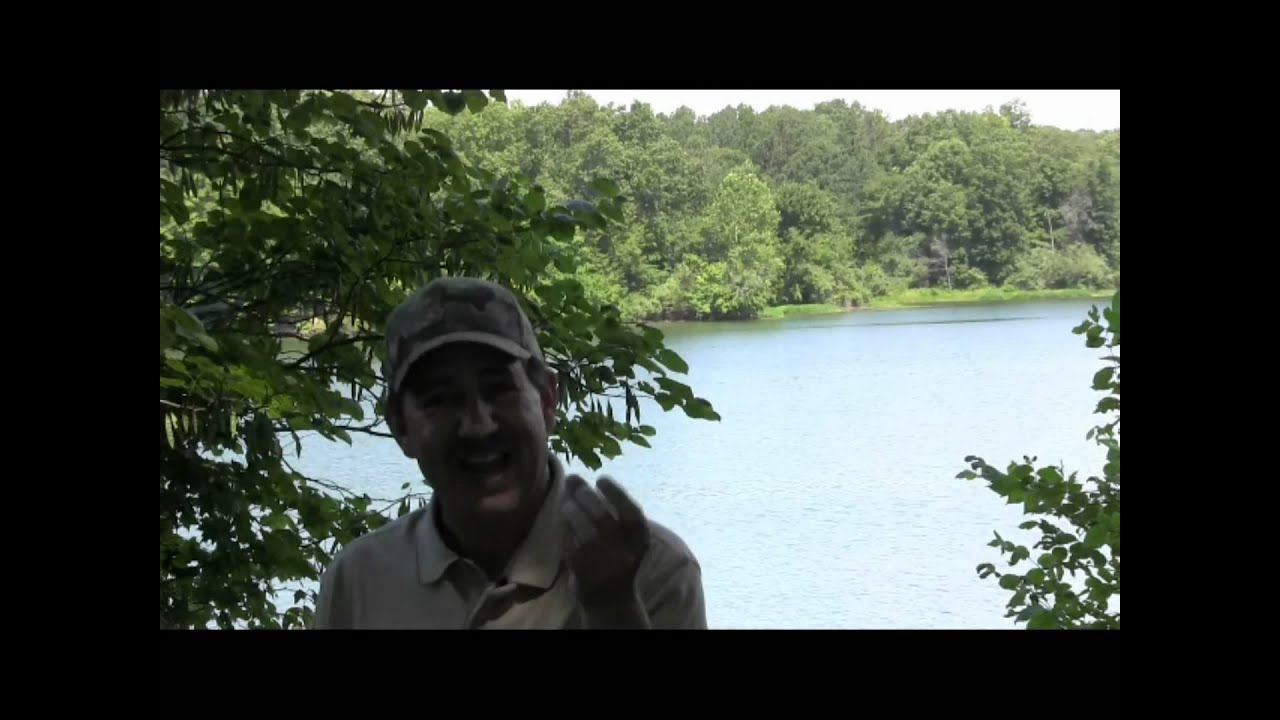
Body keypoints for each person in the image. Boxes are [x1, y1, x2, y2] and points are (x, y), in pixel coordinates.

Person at [313, 277, 706, 629]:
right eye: (440, 399)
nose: (478, 425)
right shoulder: (359, 579)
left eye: (499, 389)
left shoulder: (652, 571)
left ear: (547, 400)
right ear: (400, 426)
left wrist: (612, 607)